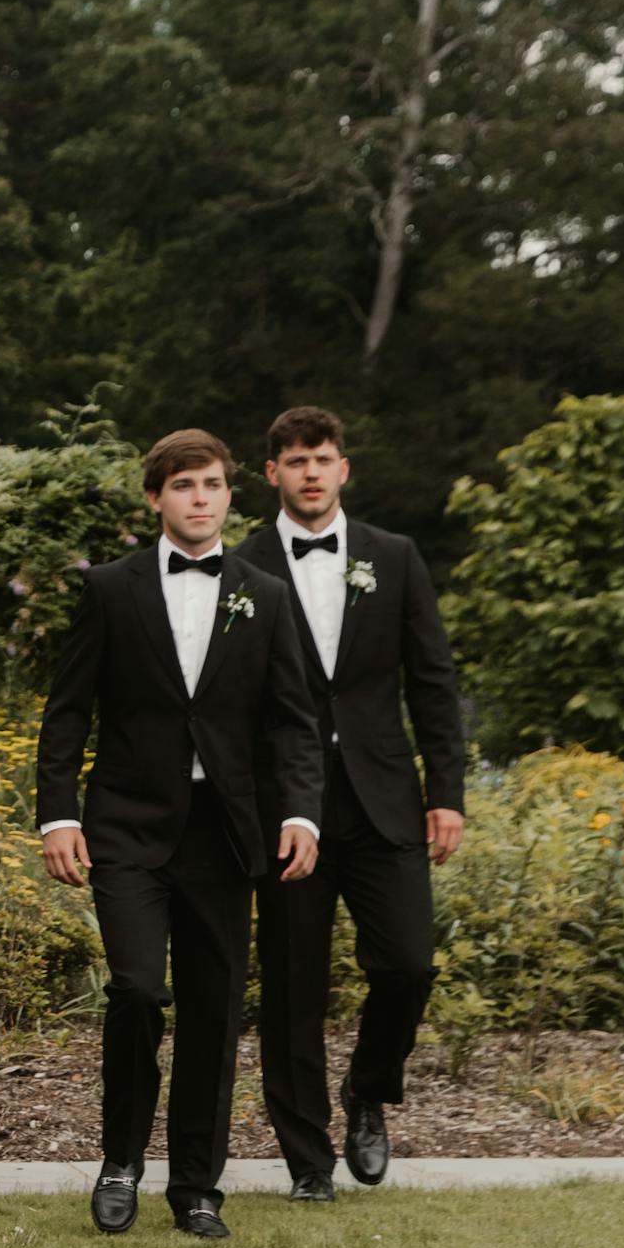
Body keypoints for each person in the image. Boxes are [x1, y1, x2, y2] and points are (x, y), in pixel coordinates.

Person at [36, 430, 322, 1241]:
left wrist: (300, 812)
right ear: (156, 497)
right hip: (126, 825)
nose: (201, 497)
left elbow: (295, 722)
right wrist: (57, 813)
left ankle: (197, 1185)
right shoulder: (109, 590)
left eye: (213, 484)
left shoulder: (264, 594)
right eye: (185, 484)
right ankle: (120, 1158)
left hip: (228, 835)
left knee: (213, 1009)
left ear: (232, 495)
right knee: (136, 987)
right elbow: (67, 713)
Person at [233, 407, 467, 1193]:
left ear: (344, 468)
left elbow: (433, 680)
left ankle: (369, 1090)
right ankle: (308, 1160)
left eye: (322, 459)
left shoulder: (393, 557)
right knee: (294, 988)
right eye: (295, 460)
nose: (309, 472)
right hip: (283, 812)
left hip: (386, 799)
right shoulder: (241, 565)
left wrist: (448, 793)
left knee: (408, 964)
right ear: (272, 472)